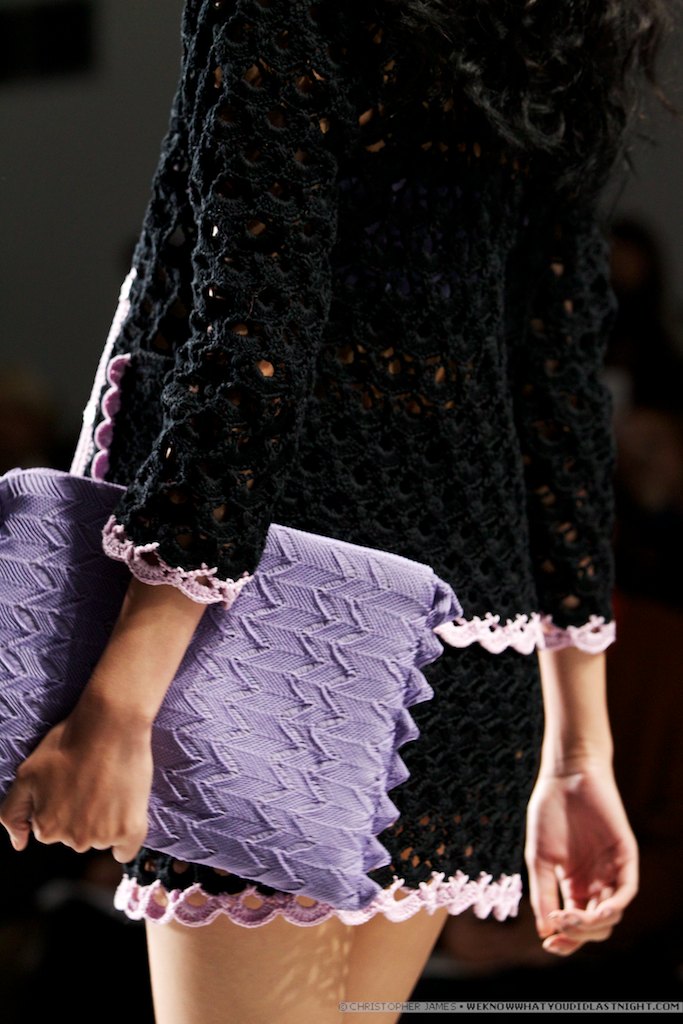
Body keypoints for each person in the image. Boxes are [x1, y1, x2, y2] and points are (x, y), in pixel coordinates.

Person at [0, 2, 675, 1021]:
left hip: (276, 644)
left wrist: (121, 705)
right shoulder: (555, 17)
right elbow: (558, 386)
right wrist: (580, 749)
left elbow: (249, 348)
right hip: (459, 670)